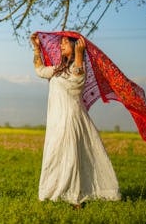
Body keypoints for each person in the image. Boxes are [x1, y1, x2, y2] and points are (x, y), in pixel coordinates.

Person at [30, 32, 121, 207]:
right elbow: (40, 70)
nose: (61, 45)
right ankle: (54, 192)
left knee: (71, 156)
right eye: (61, 42)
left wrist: (79, 55)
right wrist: (36, 47)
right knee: (55, 154)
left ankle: (74, 197)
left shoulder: (78, 68)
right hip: (57, 119)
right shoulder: (58, 69)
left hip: (70, 118)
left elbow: (77, 83)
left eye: (65, 42)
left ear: (75, 46)